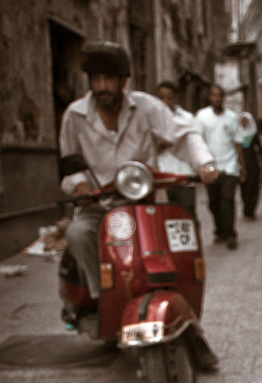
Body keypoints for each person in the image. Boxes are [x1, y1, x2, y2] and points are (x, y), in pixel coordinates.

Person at [59, 41, 219, 302]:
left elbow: (183, 135)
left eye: (109, 79)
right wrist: (79, 186)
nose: (101, 87)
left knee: (183, 238)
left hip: (147, 204)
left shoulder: (147, 107)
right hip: (101, 206)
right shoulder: (74, 116)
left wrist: (204, 164)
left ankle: (179, 296)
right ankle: (101, 295)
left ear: (123, 80)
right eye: (96, 79)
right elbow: (69, 163)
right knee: (77, 234)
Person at [195, 85, 244, 249]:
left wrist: (242, 165)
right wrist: (200, 166)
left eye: (220, 96)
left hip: (230, 165)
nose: (217, 99)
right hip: (210, 166)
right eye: (214, 95)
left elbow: (238, 142)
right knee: (214, 202)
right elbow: (197, 142)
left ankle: (231, 234)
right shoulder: (202, 116)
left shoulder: (232, 117)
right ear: (210, 97)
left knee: (228, 200)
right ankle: (220, 231)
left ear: (224, 98)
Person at [155, 80, 201, 222]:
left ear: (175, 98)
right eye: (161, 98)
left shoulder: (187, 118)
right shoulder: (152, 119)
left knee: (188, 214)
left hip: (185, 175)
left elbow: (196, 145)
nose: (165, 102)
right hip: (163, 176)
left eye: (168, 98)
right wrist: (160, 145)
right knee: (166, 217)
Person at [236, 112, 262, 219]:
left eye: (246, 121)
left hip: (253, 165)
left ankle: (251, 209)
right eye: (242, 121)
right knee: (244, 188)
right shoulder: (237, 135)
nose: (244, 123)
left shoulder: (253, 135)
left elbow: (260, 150)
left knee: (253, 187)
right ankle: (246, 208)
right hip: (242, 166)